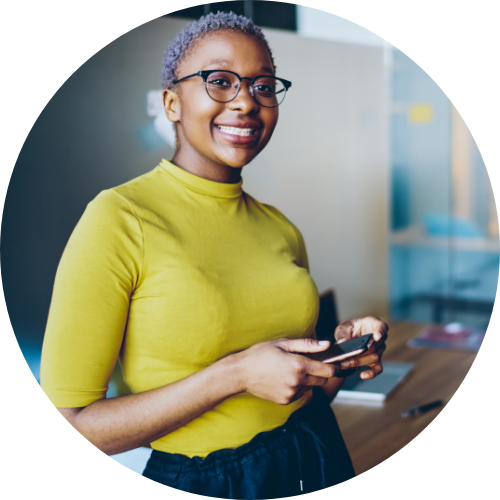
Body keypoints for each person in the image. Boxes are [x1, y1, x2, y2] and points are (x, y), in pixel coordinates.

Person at [40, 11, 388, 499]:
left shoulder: (280, 227)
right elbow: (77, 423)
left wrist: (339, 356)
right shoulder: (119, 219)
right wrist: (235, 374)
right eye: (220, 81)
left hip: (313, 453)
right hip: (207, 481)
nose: (247, 101)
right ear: (172, 102)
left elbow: (297, 390)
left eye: (264, 86)